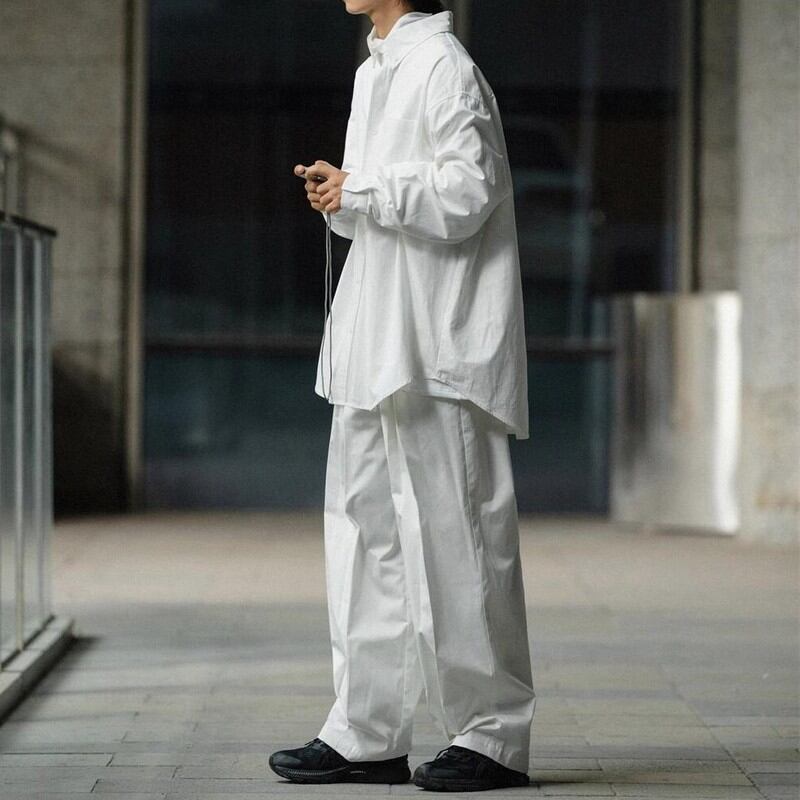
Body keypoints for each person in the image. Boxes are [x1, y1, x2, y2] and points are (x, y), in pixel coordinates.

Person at [270, 0, 536, 792]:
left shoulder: (446, 68)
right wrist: (342, 195)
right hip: (373, 339)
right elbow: (374, 211)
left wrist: (366, 186)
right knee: (363, 534)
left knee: (458, 538)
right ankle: (366, 732)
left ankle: (491, 736)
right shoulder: (374, 70)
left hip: (435, 343)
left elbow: (469, 192)